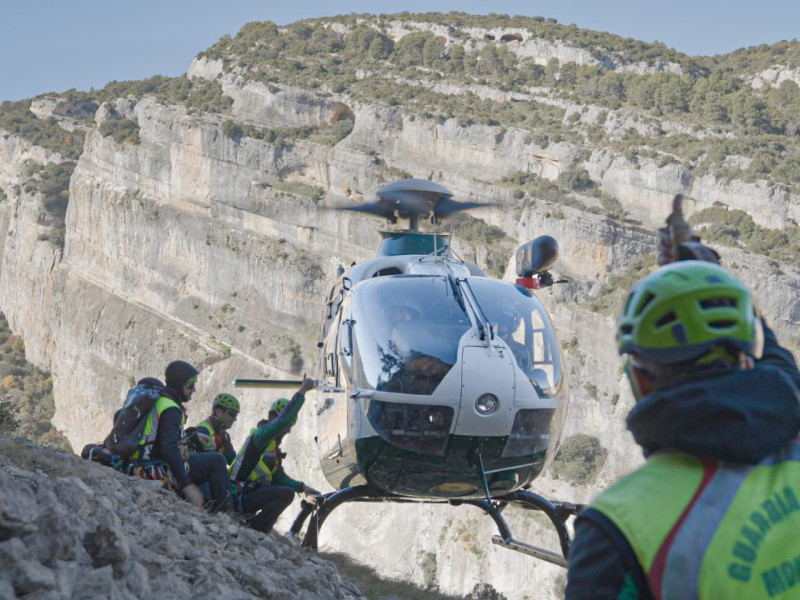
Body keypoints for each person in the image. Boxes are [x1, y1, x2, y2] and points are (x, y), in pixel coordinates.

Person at [565, 204, 800, 599]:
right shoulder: (791, 423)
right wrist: (708, 272)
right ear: (744, 357)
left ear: (639, 377)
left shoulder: (618, 526)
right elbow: (777, 369)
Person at [132, 360, 232, 512]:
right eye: (190, 385)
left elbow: (164, 437)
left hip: (142, 461)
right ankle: (226, 512)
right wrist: (187, 485)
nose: (193, 390)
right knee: (216, 460)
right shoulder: (171, 409)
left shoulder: (161, 400)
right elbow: (168, 448)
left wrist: (193, 436)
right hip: (154, 468)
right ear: (179, 385)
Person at [229, 377, 320, 533]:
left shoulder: (272, 448)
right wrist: (303, 390)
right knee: (285, 494)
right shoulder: (261, 436)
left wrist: (301, 487)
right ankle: (255, 531)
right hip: (235, 495)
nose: (288, 430)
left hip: (244, 496)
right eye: (288, 426)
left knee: (285, 491)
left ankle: (253, 527)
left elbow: (277, 476)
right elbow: (282, 422)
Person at [188, 392, 240, 464]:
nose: (235, 419)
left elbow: (233, 461)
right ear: (219, 412)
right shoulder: (203, 430)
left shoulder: (224, 436)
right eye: (232, 414)